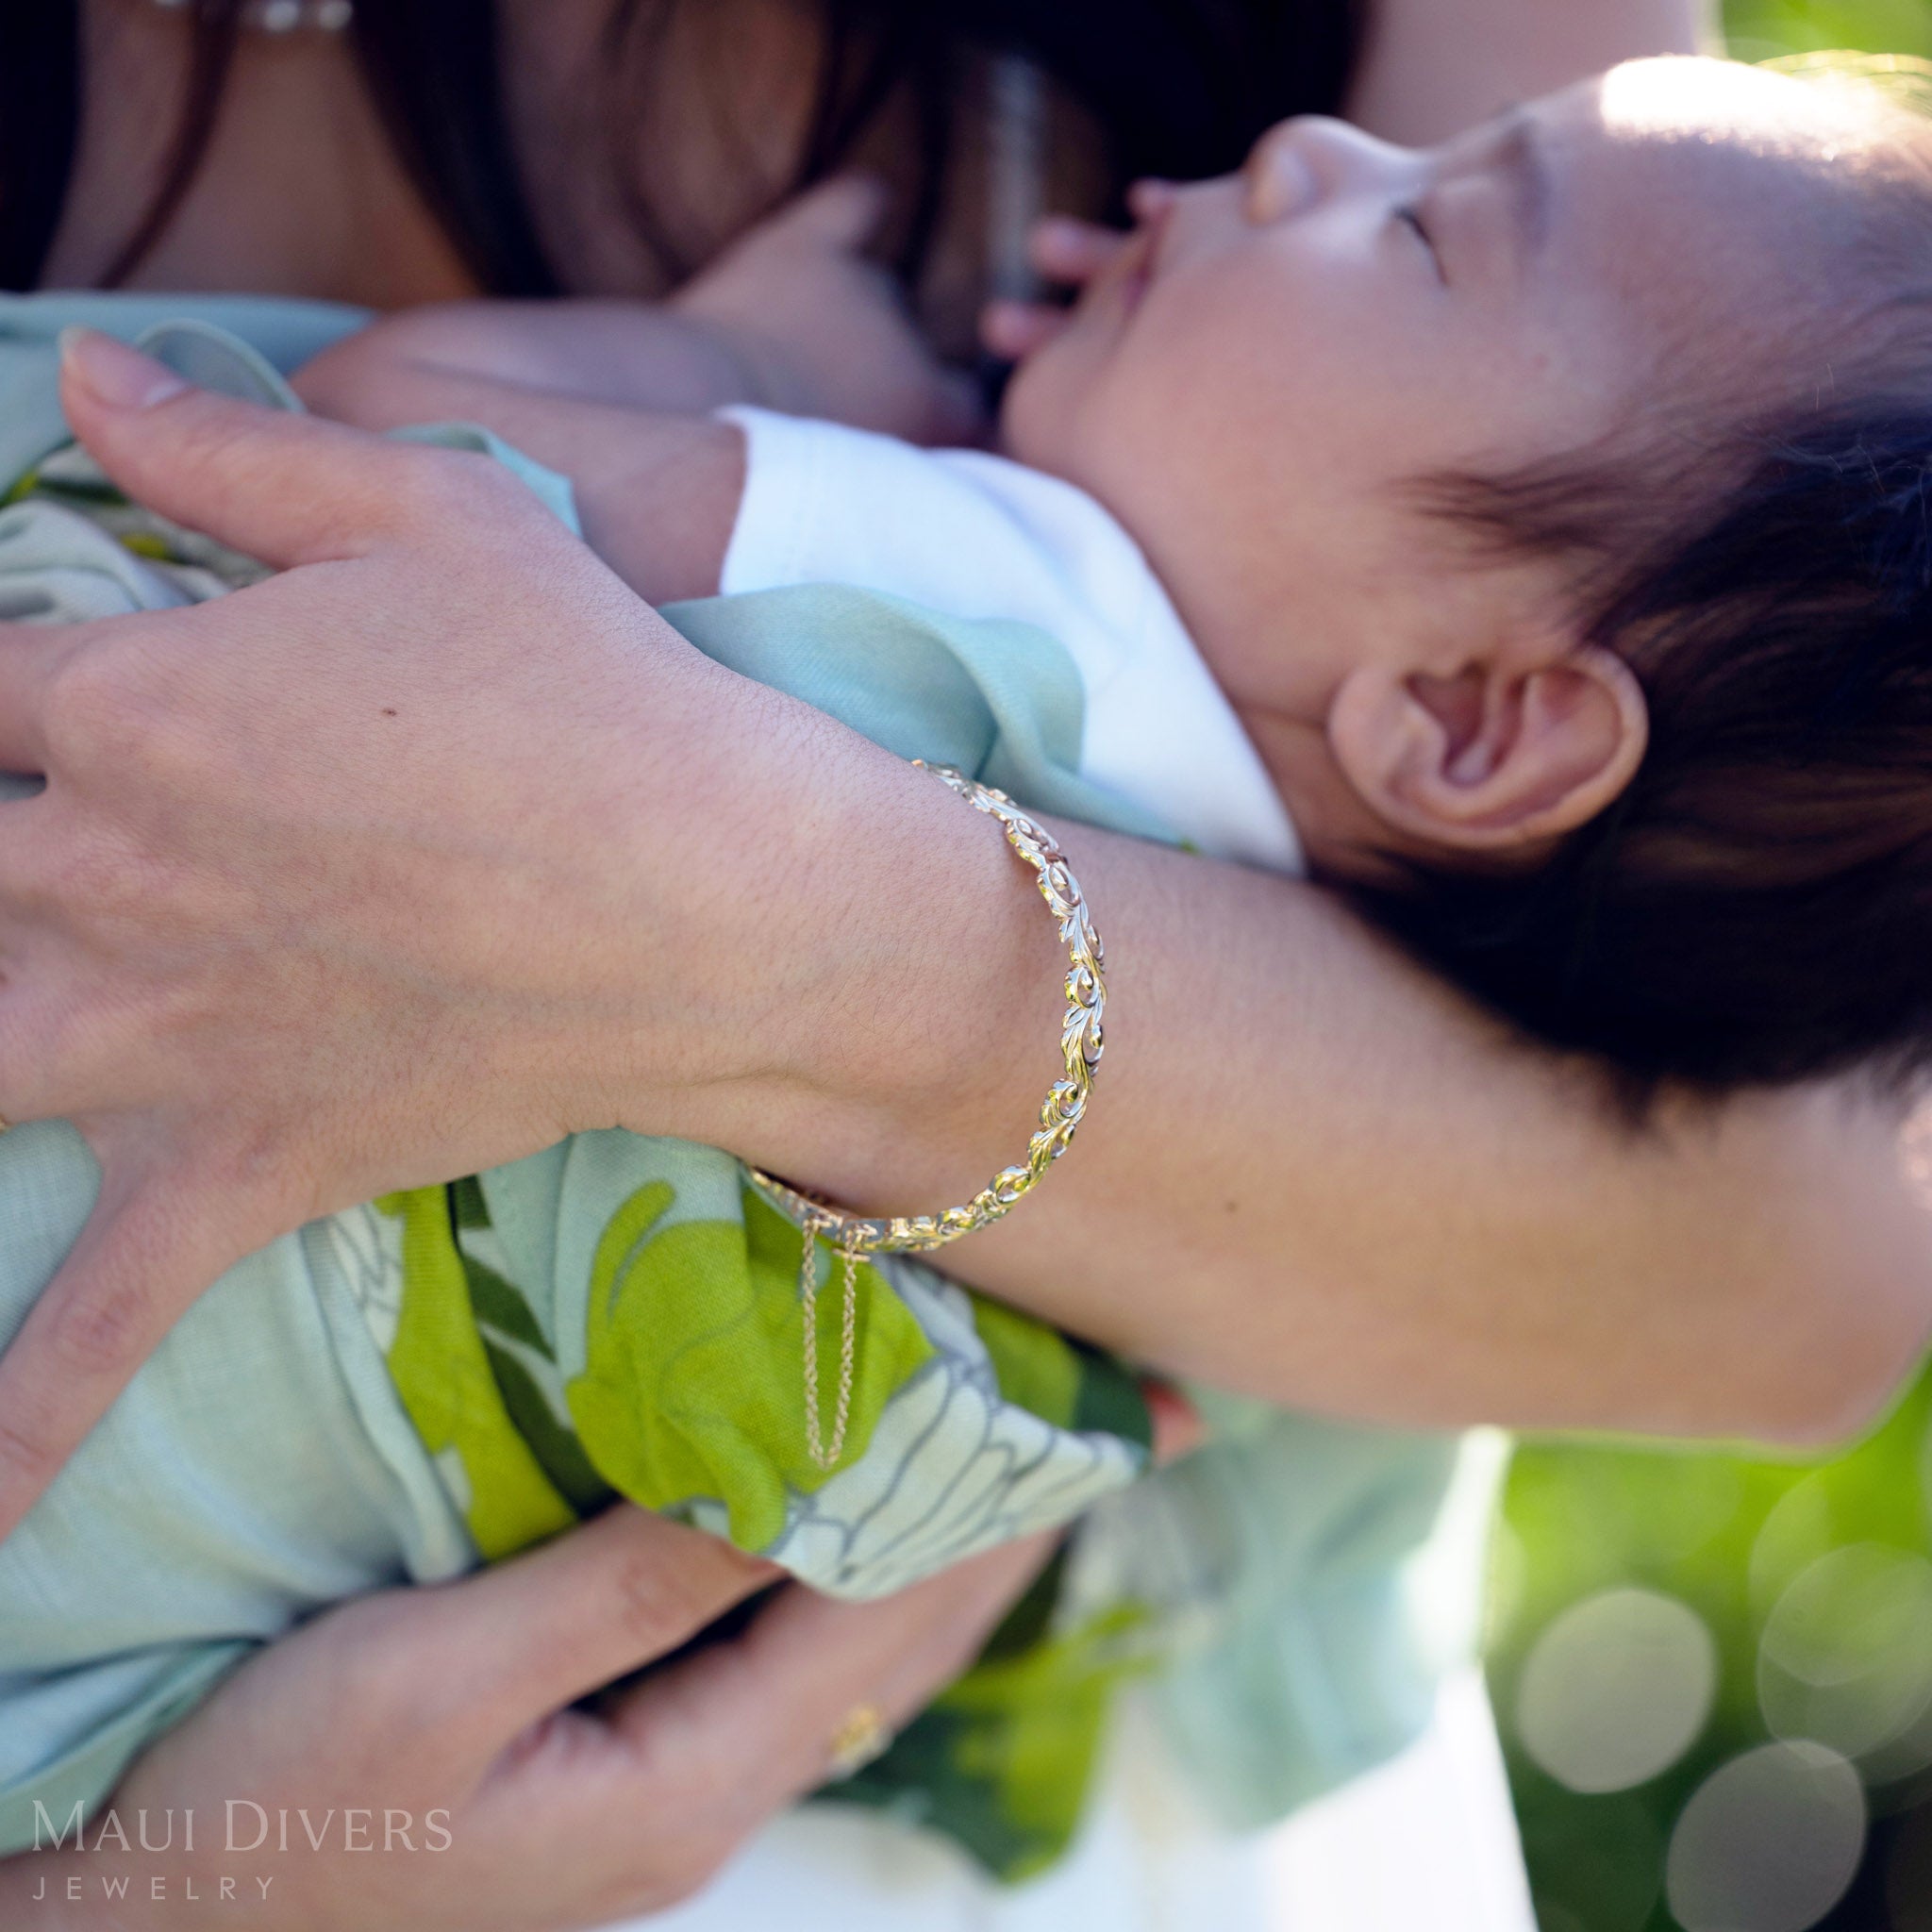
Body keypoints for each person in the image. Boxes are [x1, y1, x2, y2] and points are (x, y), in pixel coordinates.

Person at [5, 2, 1927, 1927]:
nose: (1304, 153)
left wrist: (759, 375)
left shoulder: (955, 568)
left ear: (1475, 718)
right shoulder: (1410, 1024)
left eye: (1420, 232)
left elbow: (386, 417)